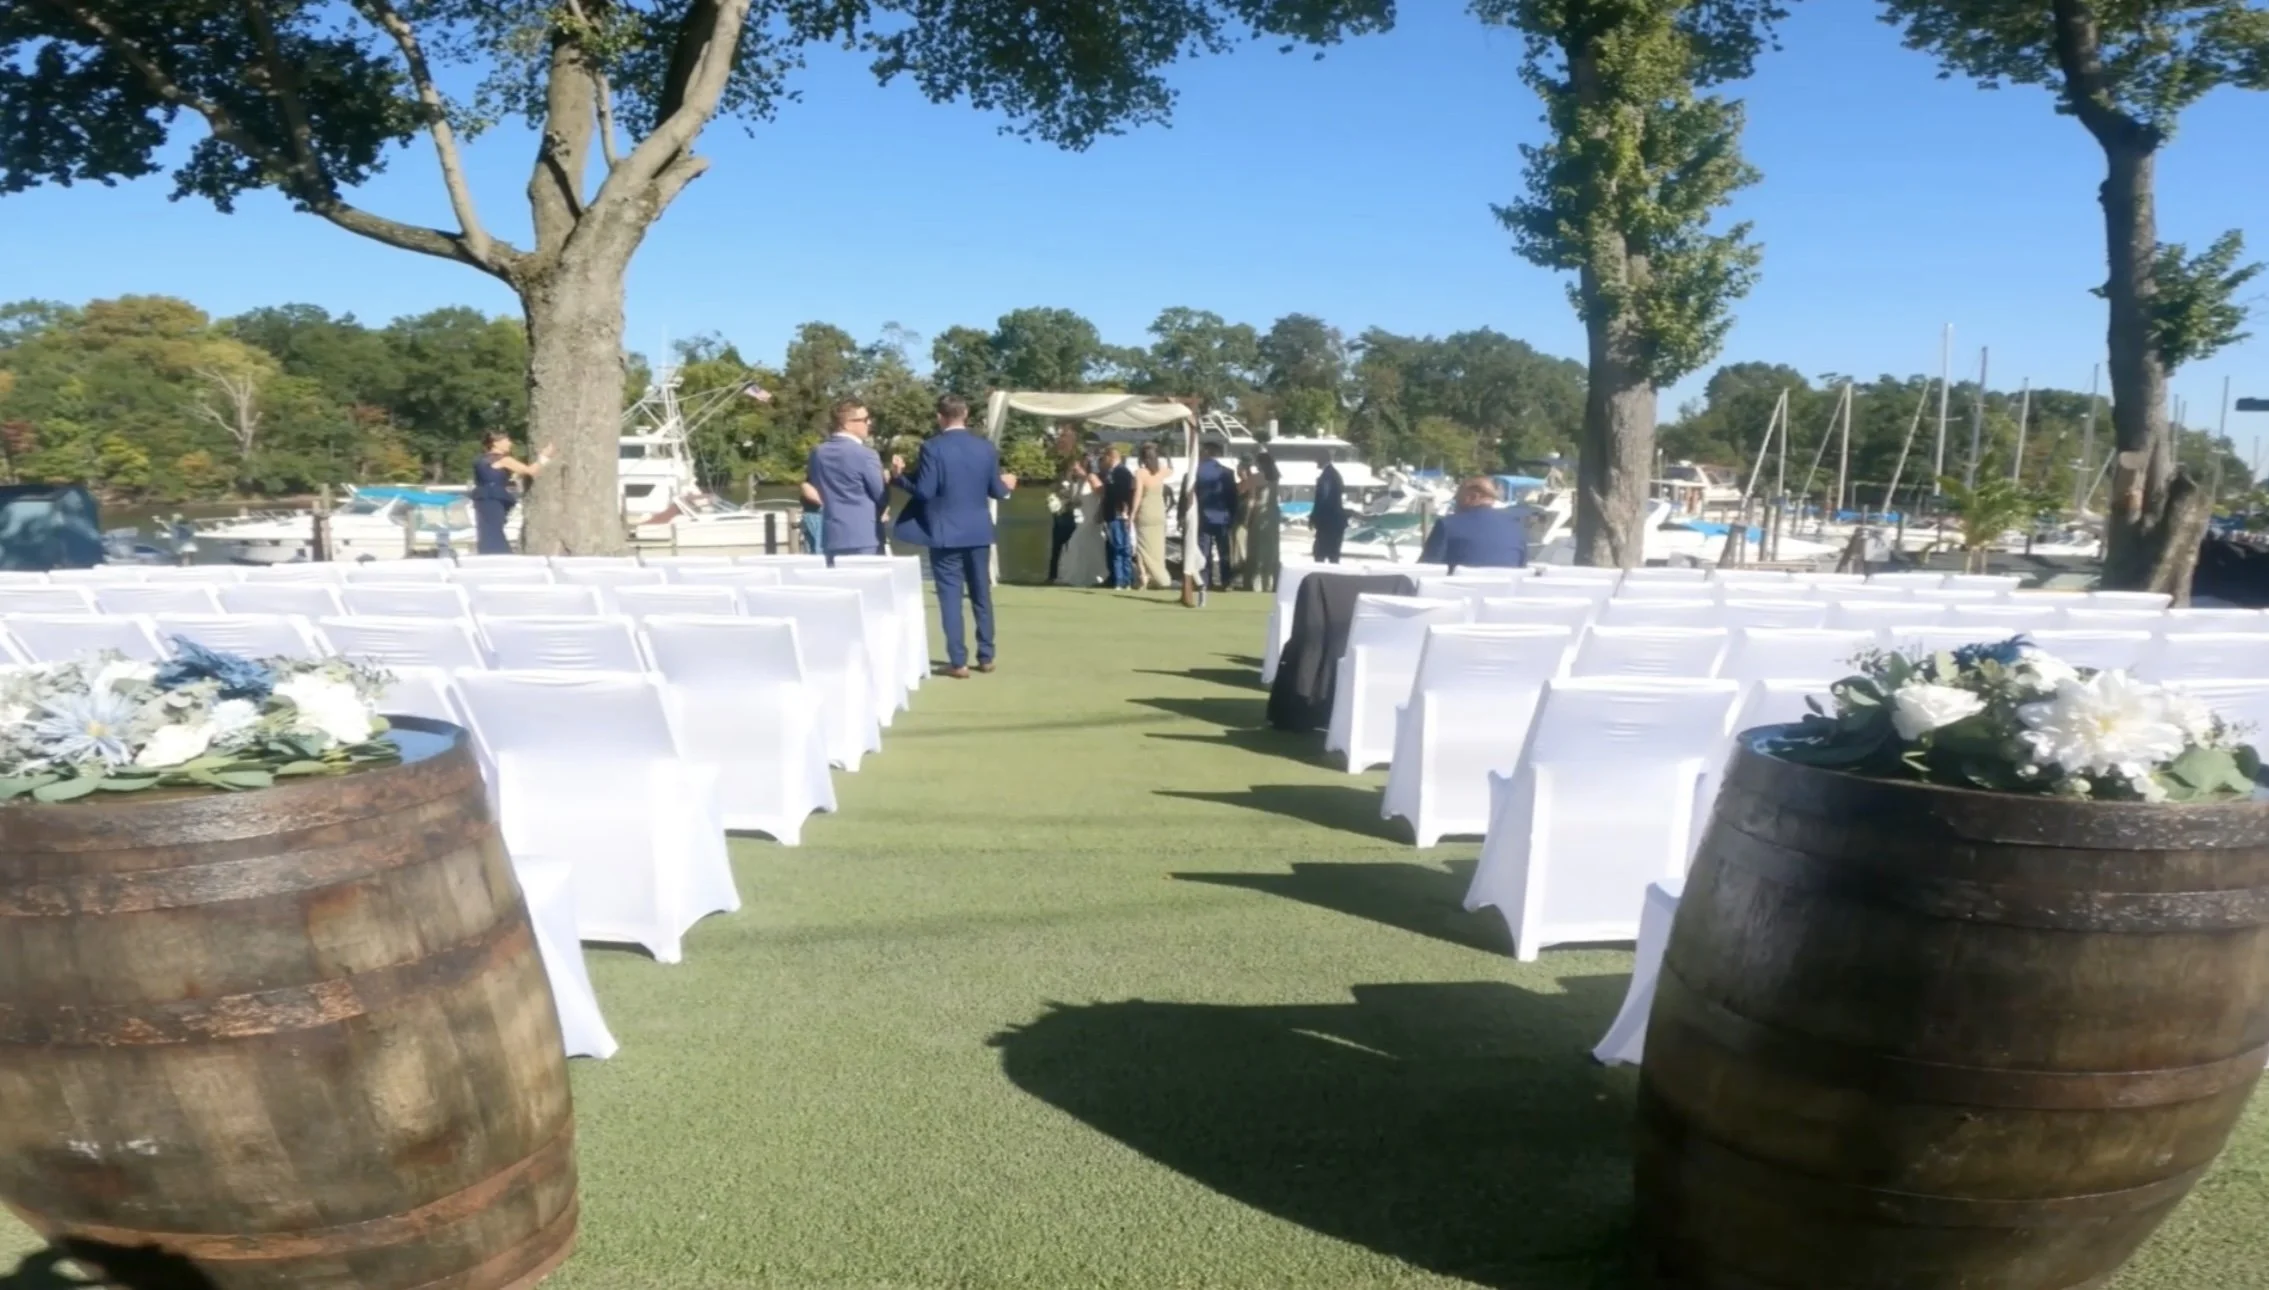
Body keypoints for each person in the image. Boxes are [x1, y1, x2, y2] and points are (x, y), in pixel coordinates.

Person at [893, 395, 1015, 678]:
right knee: (981, 595)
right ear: (967, 413)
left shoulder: (932, 448)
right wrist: (1009, 485)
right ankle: (986, 655)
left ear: (940, 417)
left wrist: (899, 478)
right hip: (978, 531)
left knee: (950, 599)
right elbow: (997, 491)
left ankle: (958, 661)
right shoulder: (986, 448)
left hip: (945, 532)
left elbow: (924, 491)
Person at [804, 400, 889, 564]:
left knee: (840, 585)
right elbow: (880, 495)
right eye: (865, 419)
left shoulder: (818, 453)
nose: (869, 423)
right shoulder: (866, 454)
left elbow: (817, 488)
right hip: (864, 534)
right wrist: (887, 480)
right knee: (867, 586)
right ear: (847, 424)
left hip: (832, 534)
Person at [1418, 476, 1529, 571]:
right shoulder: (1516, 528)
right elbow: (1521, 567)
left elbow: (1425, 569)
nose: (1455, 503)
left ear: (1473, 497)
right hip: (1503, 594)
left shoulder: (1447, 525)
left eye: (1457, 498)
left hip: (1456, 594)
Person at [471, 432, 552, 555]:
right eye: (506, 440)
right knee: (495, 529)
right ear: (495, 443)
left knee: (486, 529)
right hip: (494, 497)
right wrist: (544, 457)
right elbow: (531, 471)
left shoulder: (480, 459)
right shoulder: (504, 459)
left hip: (481, 497)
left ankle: (488, 553)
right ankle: (499, 553)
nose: (510, 443)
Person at [1193, 442, 1240, 591]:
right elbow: (1233, 497)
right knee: (1224, 551)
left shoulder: (1196, 472)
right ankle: (1226, 581)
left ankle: (1205, 581)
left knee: (1204, 551)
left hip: (1202, 516)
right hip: (1222, 517)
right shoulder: (1226, 472)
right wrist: (1233, 516)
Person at [1131, 441, 1172, 590]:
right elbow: (1171, 469)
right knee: (1158, 548)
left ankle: (1144, 575)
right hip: (1159, 513)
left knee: (1142, 546)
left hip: (1145, 512)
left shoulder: (1140, 473)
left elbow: (1138, 495)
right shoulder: (1161, 471)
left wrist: (1132, 515)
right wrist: (1166, 455)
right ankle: (1154, 575)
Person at [1098, 445, 1137, 590]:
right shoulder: (1113, 472)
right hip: (1113, 513)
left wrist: (1124, 508)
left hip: (1118, 513)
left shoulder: (1121, 472)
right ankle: (1121, 578)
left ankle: (1123, 579)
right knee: (1118, 546)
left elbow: (1125, 493)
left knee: (1120, 546)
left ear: (1110, 457)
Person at [1247, 450, 1283, 592]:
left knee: (1257, 549)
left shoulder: (1256, 477)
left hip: (1260, 515)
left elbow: (1251, 500)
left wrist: (1247, 519)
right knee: (1271, 549)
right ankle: (1269, 582)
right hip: (1273, 515)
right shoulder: (1276, 477)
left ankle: (1256, 584)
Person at [1047, 458, 1083, 583]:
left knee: (1072, 546)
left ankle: (1069, 573)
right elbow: (1057, 495)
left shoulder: (1079, 480)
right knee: (1057, 547)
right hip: (1062, 516)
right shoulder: (1062, 481)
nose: (1076, 470)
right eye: (1074, 468)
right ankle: (1053, 575)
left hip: (1076, 517)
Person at [1311, 457, 1349, 563]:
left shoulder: (1327, 476)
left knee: (1320, 553)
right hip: (1335, 521)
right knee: (1333, 554)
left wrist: (1315, 516)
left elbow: (1324, 498)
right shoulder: (1334, 474)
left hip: (1328, 521)